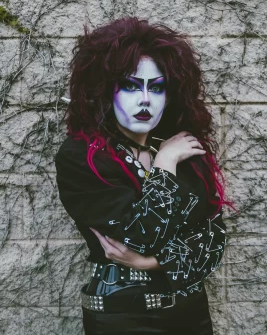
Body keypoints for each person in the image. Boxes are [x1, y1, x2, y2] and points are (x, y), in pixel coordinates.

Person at [55, 17, 233, 335]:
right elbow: (141, 235)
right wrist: (164, 165)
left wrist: (152, 263)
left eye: (157, 87)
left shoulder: (182, 147)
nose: (146, 99)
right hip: (124, 316)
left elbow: (214, 238)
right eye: (131, 85)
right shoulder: (85, 157)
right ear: (105, 90)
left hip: (192, 312)